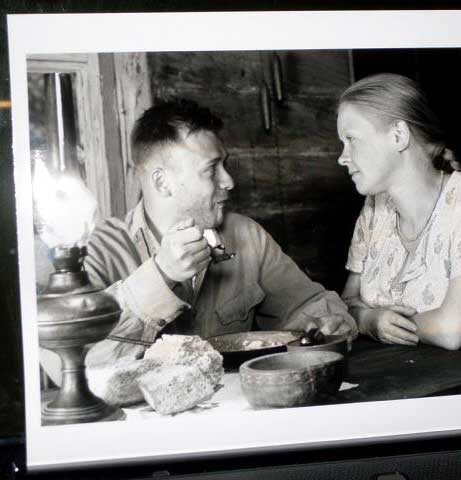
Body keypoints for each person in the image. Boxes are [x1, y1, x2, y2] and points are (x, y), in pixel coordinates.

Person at [81, 99, 357, 369]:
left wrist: (324, 322)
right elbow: (77, 363)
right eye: (211, 169)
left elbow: (311, 305)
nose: (228, 181)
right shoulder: (101, 250)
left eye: (225, 165)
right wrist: (161, 274)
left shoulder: (247, 235)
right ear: (162, 182)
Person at [336, 73, 461, 350]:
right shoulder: (374, 208)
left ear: (398, 135)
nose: (342, 157)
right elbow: (347, 302)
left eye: (351, 139)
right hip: (409, 373)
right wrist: (368, 320)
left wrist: (377, 324)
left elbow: (452, 329)